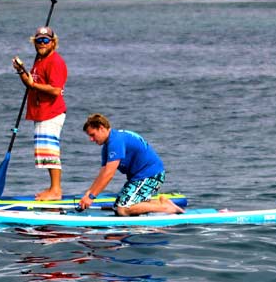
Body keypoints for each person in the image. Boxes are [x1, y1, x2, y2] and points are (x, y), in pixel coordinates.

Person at [78, 114, 184, 216]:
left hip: (151, 175)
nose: (91, 139)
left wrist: (91, 197)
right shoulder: (107, 146)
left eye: (92, 135)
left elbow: (109, 175)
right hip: (138, 178)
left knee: (123, 209)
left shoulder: (115, 141)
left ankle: (166, 208)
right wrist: (88, 194)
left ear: (101, 128)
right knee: (116, 208)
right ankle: (160, 202)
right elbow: (102, 174)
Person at [12, 26, 67, 201]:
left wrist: (34, 85)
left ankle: (56, 190)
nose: (42, 44)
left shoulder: (55, 62)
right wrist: (21, 71)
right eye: (38, 41)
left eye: (45, 40)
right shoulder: (40, 60)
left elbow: (55, 90)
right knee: (45, 152)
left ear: (53, 43)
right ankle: (53, 188)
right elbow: (30, 83)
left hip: (51, 112)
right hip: (40, 112)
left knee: (51, 151)